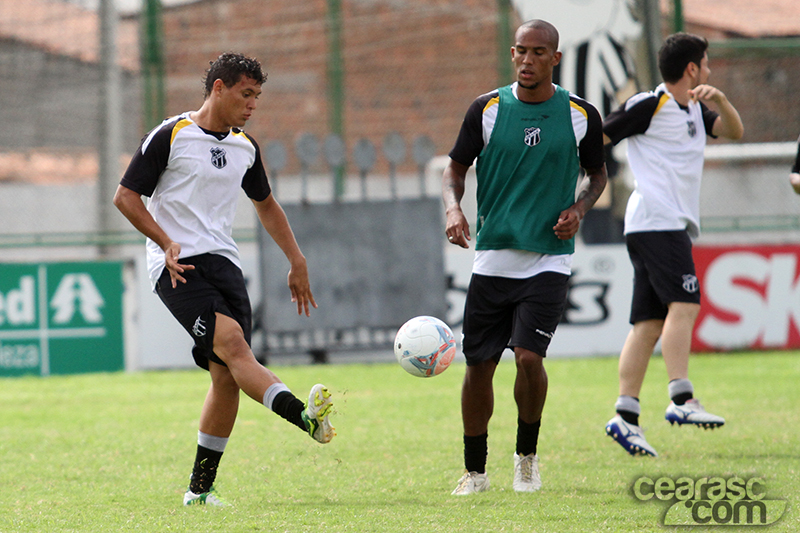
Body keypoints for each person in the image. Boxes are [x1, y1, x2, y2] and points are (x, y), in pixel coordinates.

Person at [113, 52, 335, 506]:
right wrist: (165, 240)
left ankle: (199, 492)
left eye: (257, 96)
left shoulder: (244, 147)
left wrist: (297, 259)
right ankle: (306, 419)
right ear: (218, 88)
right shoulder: (170, 135)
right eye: (245, 94)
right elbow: (125, 197)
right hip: (177, 267)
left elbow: (266, 205)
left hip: (224, 266)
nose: (253, 104)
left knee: (228, 376)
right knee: (233, 346)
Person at [442, 20, 607, 495]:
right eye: (521, 52)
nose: (528, 60)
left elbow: (597, 175)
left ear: (555, 58)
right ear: (512, 55)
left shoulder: (580, 114)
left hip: (549, 259)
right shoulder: (488, 109)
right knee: (478, 365)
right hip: (492, 258)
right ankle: (475, 471)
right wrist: (454, 207)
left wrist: (579, 207)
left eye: (539, 52)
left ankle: (527, 460)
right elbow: (455, 167)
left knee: (530, 358)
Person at [602, 33, 744, 457]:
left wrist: (720, 100)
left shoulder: (697, 109)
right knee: (684, 305)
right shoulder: (650, 104)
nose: (710, 70)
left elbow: (735, 132)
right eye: (707, 64)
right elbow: (601, 135)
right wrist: (585, 182)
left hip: (664, 225)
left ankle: (625, 417)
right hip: (656, 221)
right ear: (692, 69)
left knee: (647, 324)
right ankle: (682, 399)